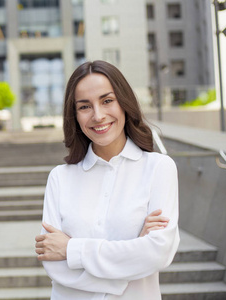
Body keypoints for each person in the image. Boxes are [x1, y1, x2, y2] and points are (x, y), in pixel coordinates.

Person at [34, 60, 179, 299]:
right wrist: (133, 253)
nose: (98, 115)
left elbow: (158, 253)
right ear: (75, 116)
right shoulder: (60, 178)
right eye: (84, 106)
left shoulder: (159, 168)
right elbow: (54, 265)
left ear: (124, 103)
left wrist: (71, 249)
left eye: (107, 101)